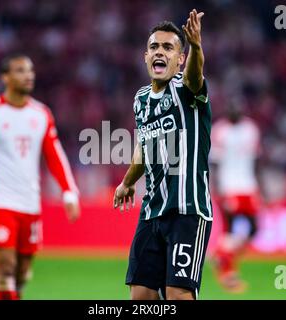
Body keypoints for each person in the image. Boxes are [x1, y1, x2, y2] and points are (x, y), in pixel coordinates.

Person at [0, 54, 80, 300]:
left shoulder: (41, 114)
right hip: (0, 200)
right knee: (6, 265)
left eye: (30, 70)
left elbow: (55, 156)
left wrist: (69, 192)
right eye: (20, 70)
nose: (28, 75)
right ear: (5, 77)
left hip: (30, 201)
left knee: (22, 272)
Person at [113, 9, 213, 300]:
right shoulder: (141, 99)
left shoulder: (187, 89)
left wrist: (195, 45)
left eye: (168, 47)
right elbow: (145, 148)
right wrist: (128, 181)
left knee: (177, 294)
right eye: (154, 47)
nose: (160, 52)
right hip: (151, 211)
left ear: (179, 59)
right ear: (145, 57)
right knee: (141, 295)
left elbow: (196, 76)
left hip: (187, 211)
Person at [209, 98, 262, 293]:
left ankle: (223, 256)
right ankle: (228, 272)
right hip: (228, 187)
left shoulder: (251, 129)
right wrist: (216, 188)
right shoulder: (220, 131)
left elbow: (256, 159)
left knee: (255, 229)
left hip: (248, 185)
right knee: (229, 229)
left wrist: (260, 187)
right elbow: (214, 163)